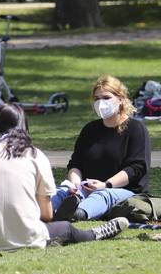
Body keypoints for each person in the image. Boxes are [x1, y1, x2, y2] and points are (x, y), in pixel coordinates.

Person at [0, 103, 128, 250]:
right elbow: (47, 215)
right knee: (65, 228)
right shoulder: (36, 156)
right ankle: (93, 234)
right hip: (27, 238)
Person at [52, 75, 151, 222]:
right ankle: (39, 212)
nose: (100, 103)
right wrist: (74, 184)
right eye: (97, 99)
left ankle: (76, 214)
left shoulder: (136, 129)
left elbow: (136, 168)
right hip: (85, 189)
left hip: (122, 191)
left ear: (121, 98)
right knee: (61, 192)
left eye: (106, 97)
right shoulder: (90, 129)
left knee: (102, 195)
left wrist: (106, 185)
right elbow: (75, 164)